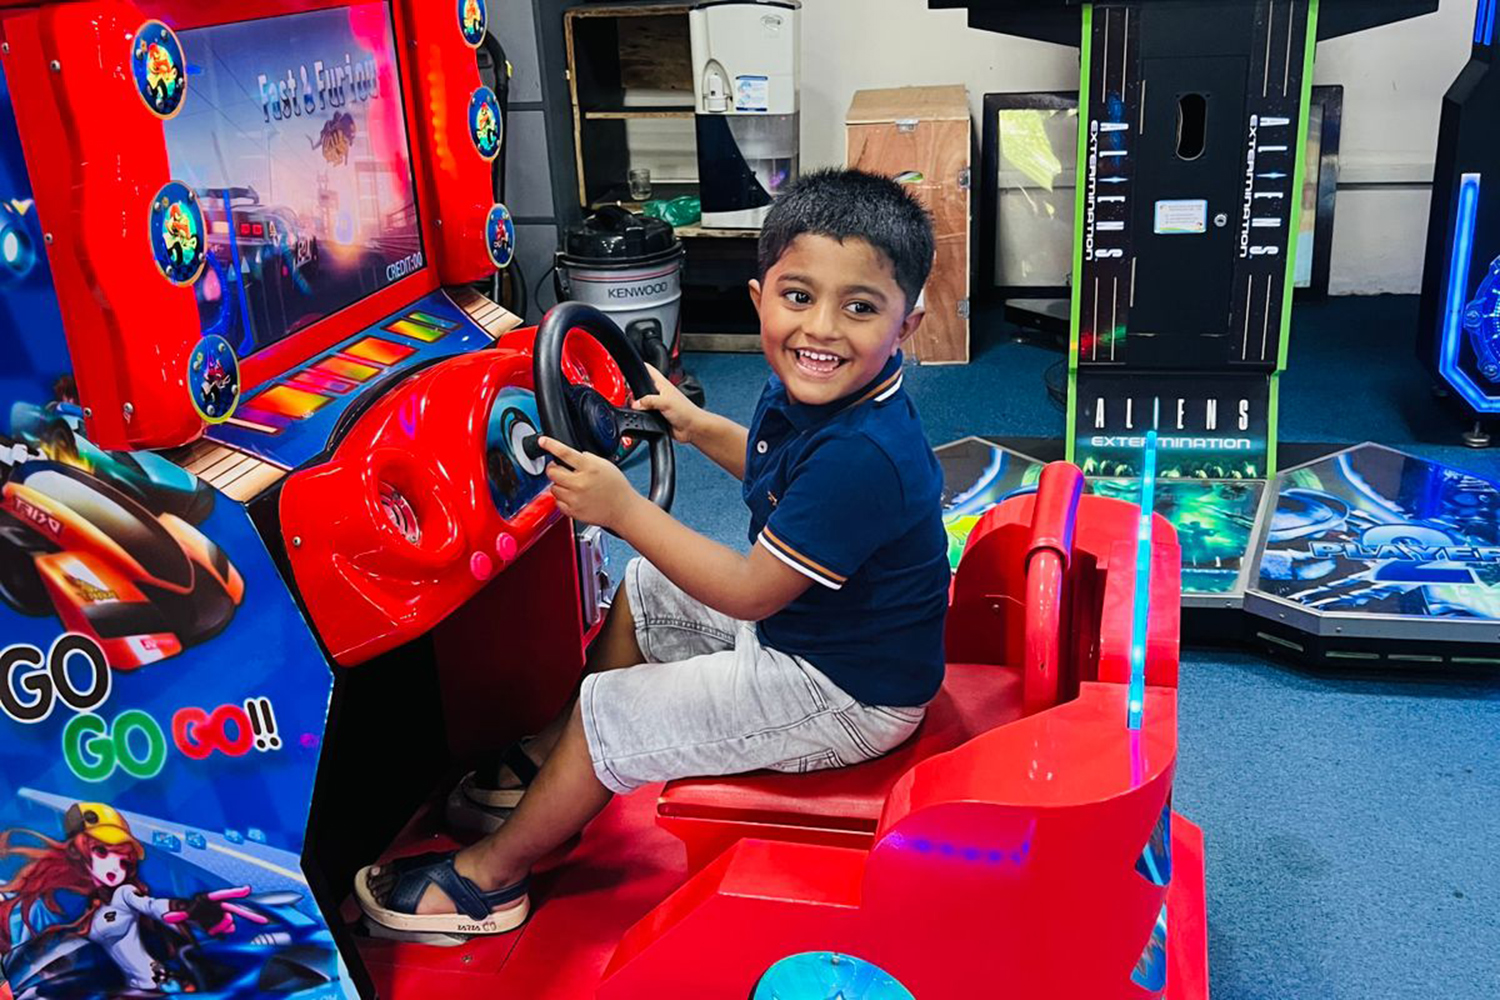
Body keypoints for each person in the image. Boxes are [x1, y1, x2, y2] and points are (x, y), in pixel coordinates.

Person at [354, 169, 951, 939]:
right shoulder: (815, 392)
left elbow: (748, 592)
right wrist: (697, 426)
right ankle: (553, 768)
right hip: (820, 635)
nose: (822, 331)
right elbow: (781, 475)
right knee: (642, 593)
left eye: (860, 308)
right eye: (798, 297)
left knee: (615, 712)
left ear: (908, 324)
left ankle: (489, 882)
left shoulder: (864, 453)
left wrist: (622, 509)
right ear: (758, 297)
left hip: (845, 693)